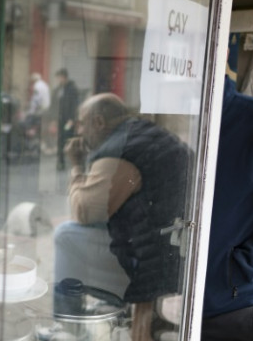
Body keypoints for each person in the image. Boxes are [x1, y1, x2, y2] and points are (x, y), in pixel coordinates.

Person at [53, 92, 190, 303]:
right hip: (169, 251)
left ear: (98, 122)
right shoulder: (144, 133)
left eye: (81, 124)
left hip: (148, 265)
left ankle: (67, 322)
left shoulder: (119, 152)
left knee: (65, 234)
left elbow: (85, 213)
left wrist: (77, 165)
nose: (78, 131)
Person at [194, 74, 253, 341]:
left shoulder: (247, 120)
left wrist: (238, 269)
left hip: (229, 313)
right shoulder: (171, 117)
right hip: (176, 308)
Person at [53, 68, 79, 170]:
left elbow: (74, 105)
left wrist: (72, 118)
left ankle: (73, 160)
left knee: (68, 138)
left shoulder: (72, 89)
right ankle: (61, 161)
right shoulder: (58, 89)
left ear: (64, 77)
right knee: (60, 139)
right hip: (60, 119)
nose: (58, 80)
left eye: (59, 77)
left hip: (68, 120)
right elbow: (54, 104)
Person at [20, 72, 51, 158]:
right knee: (39, 130)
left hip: (38, 112)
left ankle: (32, 147)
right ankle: (40, 146)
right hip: (45, 110)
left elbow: (36, 100)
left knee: (27, 126)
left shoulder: (37, 86)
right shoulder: (44, 85)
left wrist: (30, 111)